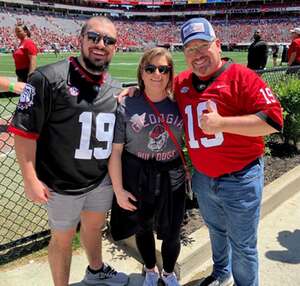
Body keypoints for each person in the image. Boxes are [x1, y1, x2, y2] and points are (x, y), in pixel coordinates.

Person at [8, 16, 128, 286]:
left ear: (115, 48)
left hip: (99, 180)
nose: (101, 44)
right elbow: (25, 132)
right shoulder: (47, 78)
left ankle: (96, 270)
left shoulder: (117, 88)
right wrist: (29, 178)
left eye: (108, 41)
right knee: (62, 240)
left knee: (95, 227)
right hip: (61, 183)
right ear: (80, 39)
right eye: (94, 37)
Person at [174, 18, 283, 286]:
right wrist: (131, 92)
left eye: (203, 46)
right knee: (216, 231)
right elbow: (155, 90)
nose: (197, 55)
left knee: (244, 245)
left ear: (218, 45)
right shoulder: (182, 82)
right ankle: (221, 273)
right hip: (203, 176)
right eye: (190, 49)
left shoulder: (242, 76)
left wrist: (222, 124)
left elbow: (273, 122)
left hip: (240, 178)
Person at [109, 47, 186, 286]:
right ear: (141, 72)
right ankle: (151, 269)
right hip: (137, 172)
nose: (157, 74)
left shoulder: (180, 102)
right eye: (150, 68)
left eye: (164, 69)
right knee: (142, 227)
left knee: (173, 230)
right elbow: (116, 152)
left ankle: (169, 273)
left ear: (170, 73)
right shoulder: (126, 104)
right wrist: (119, 190)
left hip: (171, 172)